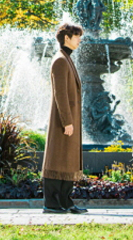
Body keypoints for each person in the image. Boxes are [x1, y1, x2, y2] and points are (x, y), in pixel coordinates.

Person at [42, 23, 88, 215]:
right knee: (57, 159)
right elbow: (60, 94)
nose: (79, 39)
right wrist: (67, 121)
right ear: (66, 38)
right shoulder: (60, 60)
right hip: (63, 122)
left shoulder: (66, 58)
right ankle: (52, 204)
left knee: (67, 160)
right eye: (77, 36)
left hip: (69, 120)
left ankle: (65, 202)